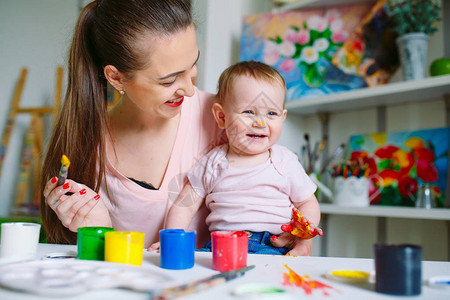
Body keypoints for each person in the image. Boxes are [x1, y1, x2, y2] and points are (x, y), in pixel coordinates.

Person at [149, 61, 322, 255]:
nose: (259, 122)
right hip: (219, 245)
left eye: (271, 113)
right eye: (248, 112)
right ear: (221, 117)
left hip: (271, 244)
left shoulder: (284, 161)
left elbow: (307, 202)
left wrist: (304, 235)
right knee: (196, 271)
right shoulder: (213, 161)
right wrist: (171, 239)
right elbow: (184, 206)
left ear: (282, 117)